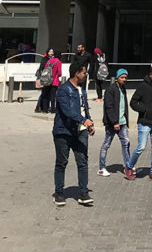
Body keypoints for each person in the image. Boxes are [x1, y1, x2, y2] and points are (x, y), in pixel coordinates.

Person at [52, 59, 95, 206]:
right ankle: (59, 192)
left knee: (82, 162)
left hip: (80, 132)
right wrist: (83, 120)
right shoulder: (64, 89)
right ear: (77, 73)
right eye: (84, 72)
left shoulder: (82, 89)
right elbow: (67, 110)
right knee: (61, 162)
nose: (86, 75)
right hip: (64, 131)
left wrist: (89, 122)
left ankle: (83, 192)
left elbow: (85, 107)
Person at [127, 65, 152, 181]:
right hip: (145, 122)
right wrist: (143, 109)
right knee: (141, 147)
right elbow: (133, 102)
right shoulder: (142, 86)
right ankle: (129, 166)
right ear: (150, 75)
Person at [98, 69, 131, 178]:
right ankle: (102, 167)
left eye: (125, 77)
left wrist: (125, 120)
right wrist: (114, 122)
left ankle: (128, 165)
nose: (124, 79)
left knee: (126, 143)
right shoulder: (111, 90)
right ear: (117, 77)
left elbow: (123, 105)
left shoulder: (123, 89)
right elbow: (109, 107)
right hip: (113, 123)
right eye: (122, 77)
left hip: (122, 122)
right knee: (106, 144)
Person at [35, 49, 62, 114]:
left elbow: (45, 69)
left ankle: (45, 109)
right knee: (53, 96)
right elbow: (59, 73)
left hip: (47, 80)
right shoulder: (58, 62)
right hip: (54, 81)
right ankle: (53, 109)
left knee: (46, 95)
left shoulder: (49, 61)